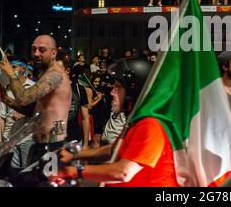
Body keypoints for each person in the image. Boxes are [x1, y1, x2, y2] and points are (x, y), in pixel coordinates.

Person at [53, 59, 179, 187]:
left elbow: (123, 172)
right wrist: (74, 155)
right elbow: (115, 149)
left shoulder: (150, 124)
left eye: (118, 87)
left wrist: (71, 171)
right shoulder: (136, 121)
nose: (112, 92)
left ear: (133, 92)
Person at [0, 35, 72, 163]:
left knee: (45, 182)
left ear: (54, 53)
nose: (36, 54)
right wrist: (5, 99)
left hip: (52, 146)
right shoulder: (46, 73)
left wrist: (11, 74)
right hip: (41, 145)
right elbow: (31, 110)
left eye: (42, 50)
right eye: (34, 49)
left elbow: (24, 98)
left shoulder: (55, 74)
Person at [65, 64, 90, 150]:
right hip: (56, 141)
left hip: (75, 138)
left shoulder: (79, 89)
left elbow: (85, 118)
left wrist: (86, 144)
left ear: (67, 71)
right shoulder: (51, 88)